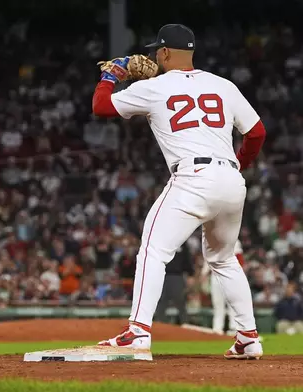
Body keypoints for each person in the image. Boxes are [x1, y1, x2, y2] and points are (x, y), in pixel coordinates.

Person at [92, 24, 266, 360]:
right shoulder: (223, 85)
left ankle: (137, 332)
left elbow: (101, 106)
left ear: (166, 52)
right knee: (224, 259)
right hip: (231, 179)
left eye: (157, 50)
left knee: (153, 251)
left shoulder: (155, 87)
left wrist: (112, 74)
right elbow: (256, 133)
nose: (155, 55)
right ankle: (248, 337)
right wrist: (239, 165)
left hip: (193, 176)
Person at [204, 240, 244, 334]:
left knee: (232, 303)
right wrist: (204, 272)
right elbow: (208, 258)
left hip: (229, 275)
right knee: (218, 304)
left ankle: (233, 328)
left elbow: (239, 258)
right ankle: (217, 328)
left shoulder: (234, 240)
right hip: (215, 275)